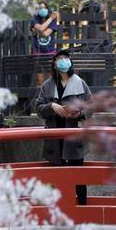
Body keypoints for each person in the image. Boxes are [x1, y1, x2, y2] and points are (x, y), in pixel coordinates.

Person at [34, 49, 93, 205]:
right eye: (59, 58)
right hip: (54, 137)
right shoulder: (47, 85)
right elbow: (38, 108)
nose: (63, 61)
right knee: (56, 178)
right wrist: (51, 106)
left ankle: (82, 210)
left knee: (79, 178)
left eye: (66, 58)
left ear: (70, 61)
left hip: (74, 136)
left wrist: (79, 113)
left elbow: (91, 106)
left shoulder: (80, 82)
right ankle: (58, 213)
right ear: (54, 63)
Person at [31, 2, 59, 86]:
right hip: (38, 53)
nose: (42, 10)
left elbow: (46, 33)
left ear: (47, 9)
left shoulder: (53, 21)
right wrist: (50, 19)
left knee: (51, 78)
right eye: (40, 8)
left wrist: (39, 30)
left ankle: (51, 97)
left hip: (50, 52)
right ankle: (40, 98)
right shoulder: (34, 20)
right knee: (39, 79)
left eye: (44, 8)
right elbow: (42, 30)